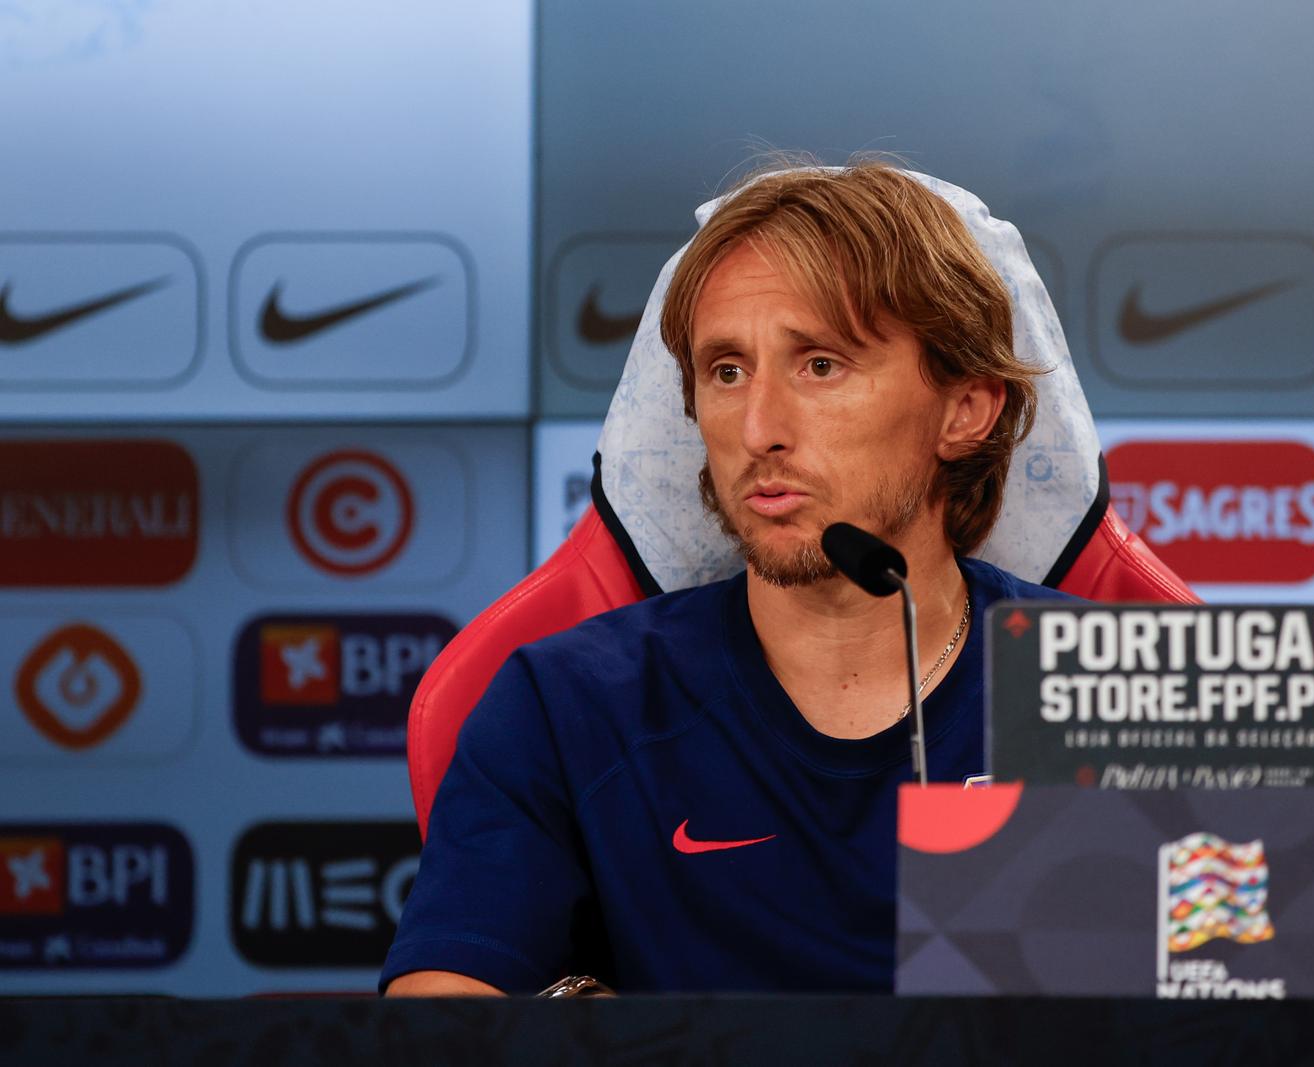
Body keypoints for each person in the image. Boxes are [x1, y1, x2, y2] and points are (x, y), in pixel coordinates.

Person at [382, 161, 1078, 995]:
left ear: (966, 410)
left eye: (820, 364)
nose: (758, 429)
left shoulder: (1121, 693)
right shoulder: (567, 703)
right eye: (726, 371)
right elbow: (441, 1012)